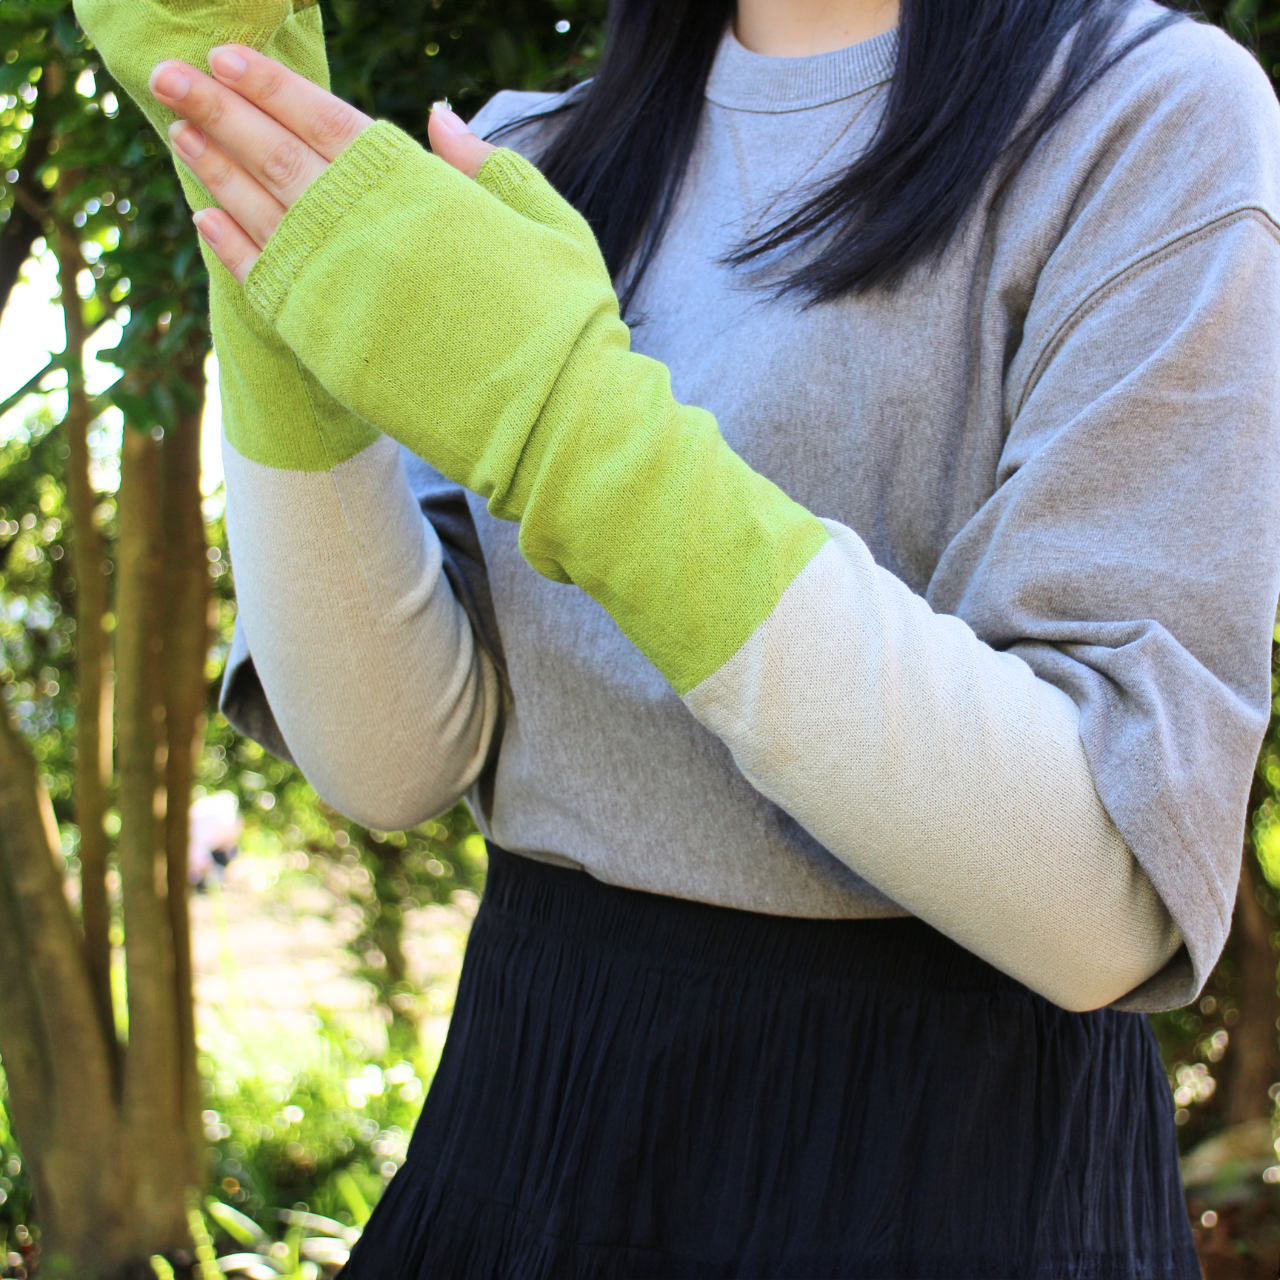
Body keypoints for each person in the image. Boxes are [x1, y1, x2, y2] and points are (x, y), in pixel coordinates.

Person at [74, 0, 1280, 1273]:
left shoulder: (1145, 117)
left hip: (956, 1171)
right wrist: (244, 174)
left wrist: (573, 426)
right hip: (525, 1126)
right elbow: (387, 760)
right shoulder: (526, 153)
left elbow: (1102, 901)